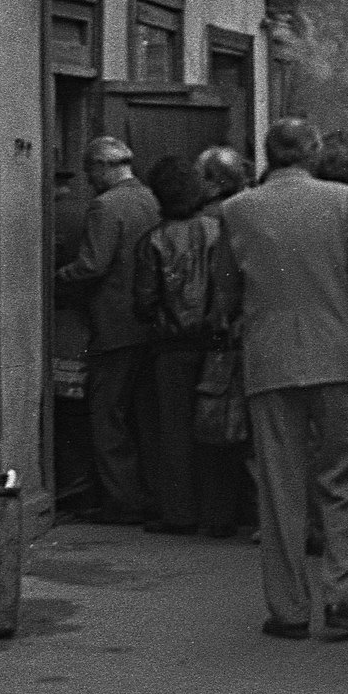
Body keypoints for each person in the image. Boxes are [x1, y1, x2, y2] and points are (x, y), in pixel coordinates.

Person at [211, 118, 348, 641]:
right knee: (345, 478)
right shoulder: (342, 202)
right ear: (312, 151)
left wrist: (236, 320)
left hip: (269, 361)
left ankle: (289, 607)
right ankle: (343, 597)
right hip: (336, 357)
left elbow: (224, 286)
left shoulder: (237, 209)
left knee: (279, 484)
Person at [56, 136, 161, 524]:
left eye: (90, 171)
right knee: (138, 416)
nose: (88, 180)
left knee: (107, 416)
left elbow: (93, 264)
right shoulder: (149, 198)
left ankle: (122, 500)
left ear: (102, 167)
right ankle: (147, 493)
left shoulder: (105, 206)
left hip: (113, 324)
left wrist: (56, 278)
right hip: (146, 323)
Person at [132, 155, 222, 536]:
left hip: (171, 345)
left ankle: (180, 512)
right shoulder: (218, 230)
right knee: (218, 428)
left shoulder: (154, 239)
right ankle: (219, 514)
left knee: (174, 430)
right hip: (217, 343)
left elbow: (145, 299)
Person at [193, 145, 255, 538]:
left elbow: (221, 283)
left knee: (226, 421)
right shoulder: (249, 209)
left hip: (230, 334)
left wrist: (218, 320)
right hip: (249, 328)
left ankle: (225, 512)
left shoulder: (219, 219)